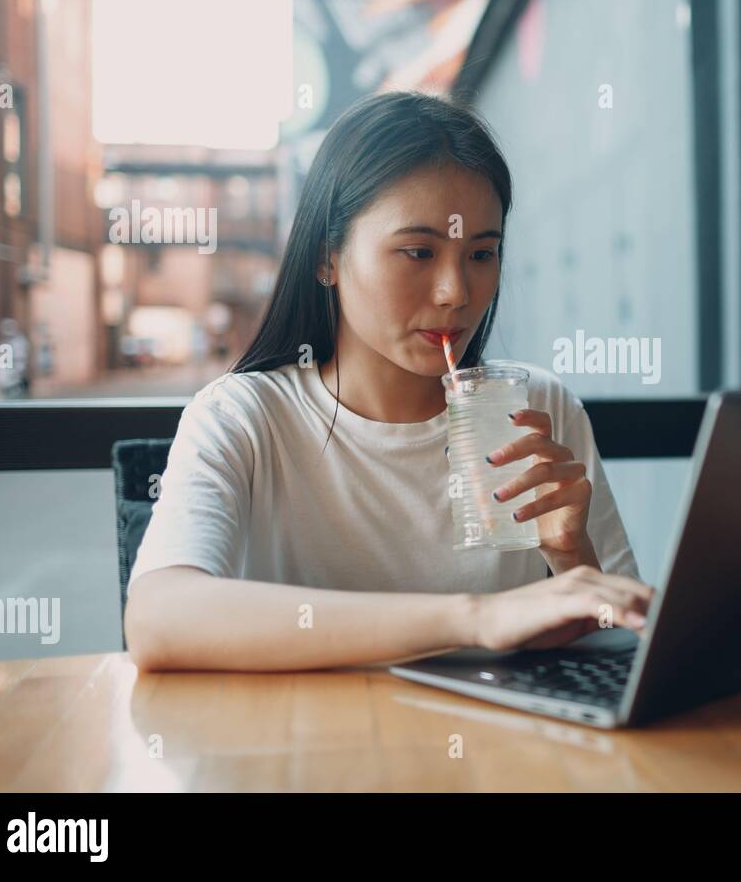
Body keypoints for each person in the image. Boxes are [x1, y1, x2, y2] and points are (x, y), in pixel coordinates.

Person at [124, 92, 653, 672]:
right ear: (327, 257)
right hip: (309, 751)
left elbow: (623, 635)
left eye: (482, 254)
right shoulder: (244, 418)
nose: (456, 291)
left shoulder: (537, 406)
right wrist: (473, 617)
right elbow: (158, 618)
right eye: (418, 251)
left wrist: (569, 555)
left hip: (497, 755)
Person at [0, 318, 30, 398]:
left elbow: (20, 360)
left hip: (14, 378)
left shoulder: (19, 342)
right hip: (5, 379)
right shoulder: (3, 342)